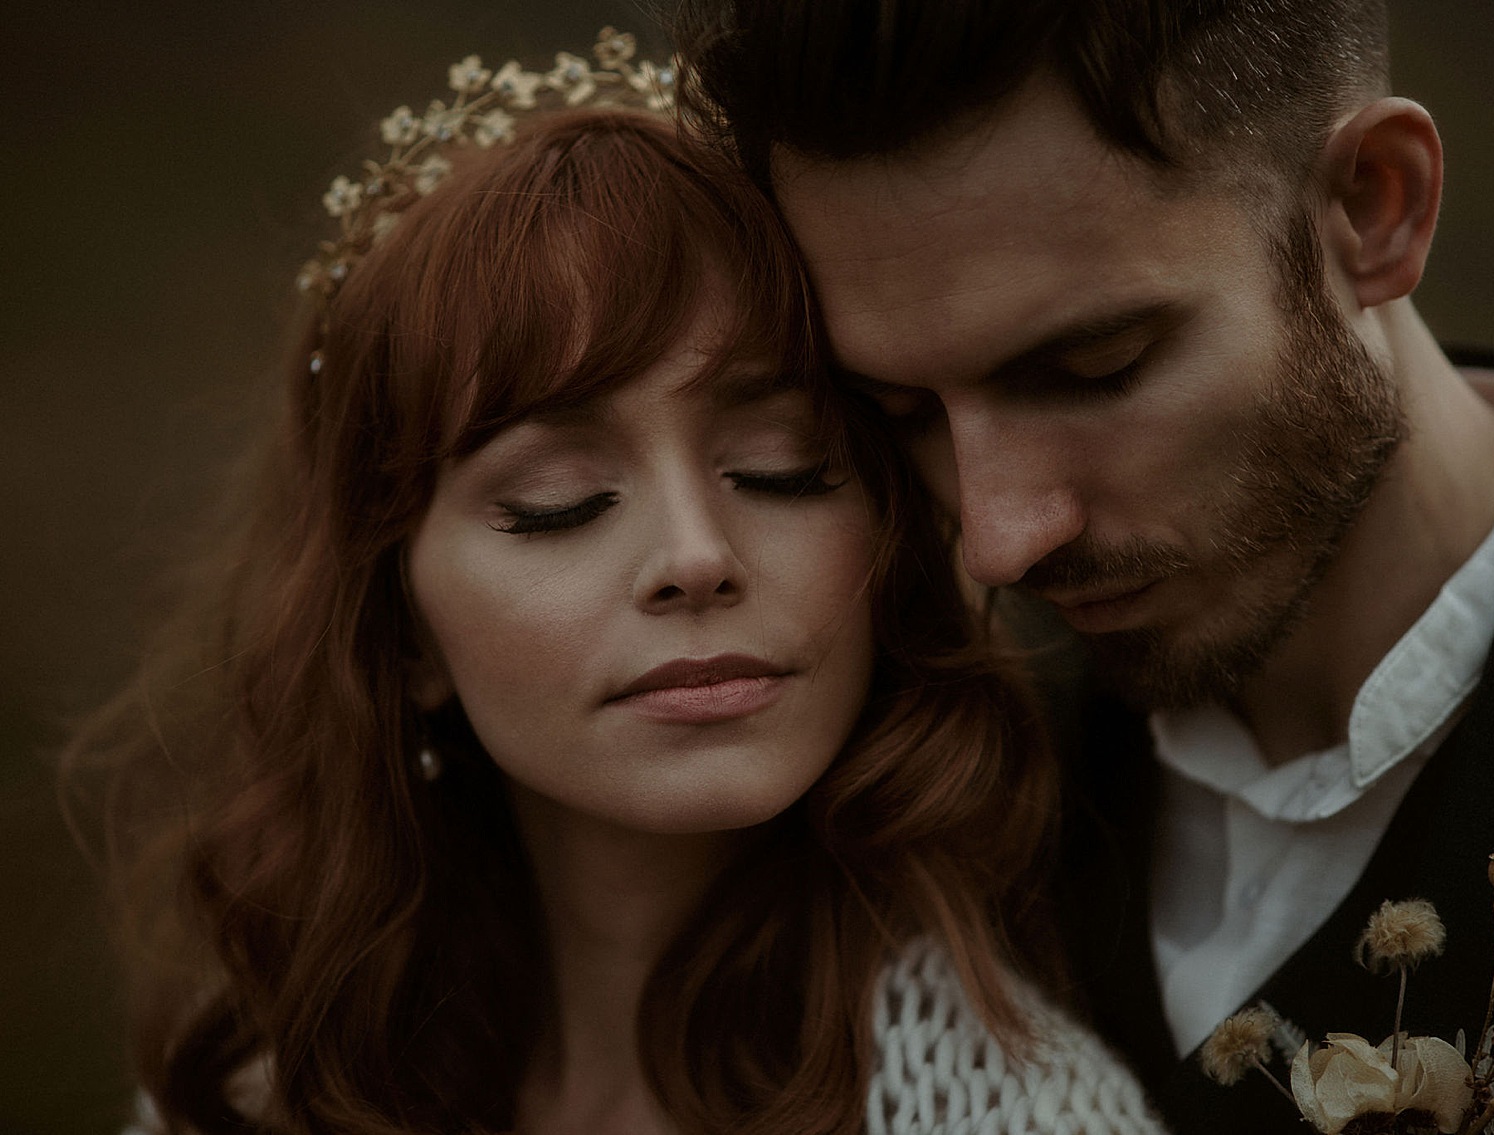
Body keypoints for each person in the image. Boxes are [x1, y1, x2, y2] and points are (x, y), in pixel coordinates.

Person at [63, 41, 1167, 1135]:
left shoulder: (1013, 1113)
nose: (696, 554)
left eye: (782, 466)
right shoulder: (258, 1090)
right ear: (402, 632)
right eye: (559, 499)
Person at [668, 2, 1494, 1131]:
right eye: (899, 410)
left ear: (1373, 206)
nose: (998, 536)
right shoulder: (917, 777)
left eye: (1093, 367)